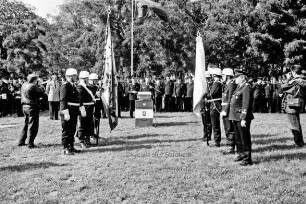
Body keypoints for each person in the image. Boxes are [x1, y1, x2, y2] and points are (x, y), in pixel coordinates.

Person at [229, 69, 254, 166]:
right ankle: (241, 154)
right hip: (235, 116)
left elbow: (246, 104)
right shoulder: (239, 87)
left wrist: (243, 118)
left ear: (242, 78)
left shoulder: (246, 87)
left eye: (236, 78)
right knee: (238, 138)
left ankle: (248, 158)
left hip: (241, 117)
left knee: (244, 138)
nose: (234, 79)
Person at [18, 74, 45, 148]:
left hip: (24, 106)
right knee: (33, 126)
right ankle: (30, 143)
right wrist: (40, 85)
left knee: (26, 124)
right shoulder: (33, 86)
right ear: (34, 80)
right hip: (32, 107)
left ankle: (21, 141)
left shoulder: (24, 85)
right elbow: (42, 93)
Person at [281, 65, 306, 147]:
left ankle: (298, 143)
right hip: (298, 103)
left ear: (294, 72)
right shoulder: (302, 80)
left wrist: (288, 79)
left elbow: (283, 87)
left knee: (294, 124)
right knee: (296, 123)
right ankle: (300, 141)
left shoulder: (295, 81)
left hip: (292, 104)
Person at [60, 68, 81, 155]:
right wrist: (65, 112)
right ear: (69, 76)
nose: (76, 77)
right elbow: (63, 100)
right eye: (74, 76)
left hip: (73, 111)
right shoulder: (65, 85)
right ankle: (66, 148)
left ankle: (71, 146)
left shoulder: (73, 85)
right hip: (68, 111)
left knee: (72, 129)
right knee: (66, 130)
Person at [77, 71, 96, 148]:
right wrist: (82, 109)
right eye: (87, 78)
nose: (88, 79)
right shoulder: (80, 87)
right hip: (84, 108)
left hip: (90, 108)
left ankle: (87, 138)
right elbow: (80, 99)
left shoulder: (87, 86)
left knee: (88, 124)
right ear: (84, 78)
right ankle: (81, 140)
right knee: (82, 125)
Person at [220, 68, 236, 154]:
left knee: (229, 129)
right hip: (225, 109)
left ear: (227, 76)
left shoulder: (231, 85)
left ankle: (231, 148)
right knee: (227, 128)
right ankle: (229, 146)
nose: (222, 77)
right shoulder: (227, 84)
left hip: (228, 110)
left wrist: (225, 110)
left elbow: (230, 99)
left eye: (223, 75)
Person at [206, 68, 222, 147]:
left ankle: (217, 141)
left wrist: (206, 94)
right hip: (214, 104)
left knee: (215, 123)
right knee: (214, 123)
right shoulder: (216, 83)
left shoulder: (216, 83)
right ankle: (216, 140)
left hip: (215, 105)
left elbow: (212, 94)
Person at [201, 71, 212, 142]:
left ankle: (208, 135)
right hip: (203, 105)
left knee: (208, 122)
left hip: (208, 105)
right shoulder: (202, 86)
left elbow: (210, 95)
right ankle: (205, 134)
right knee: (204, 122)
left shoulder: (210, 85)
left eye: (207, 78)